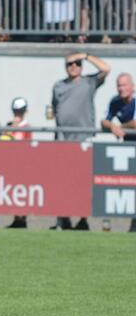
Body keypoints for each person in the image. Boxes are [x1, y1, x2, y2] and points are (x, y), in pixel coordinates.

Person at [50, 52, 110, 230]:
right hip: (63, 141)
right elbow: (54, 109)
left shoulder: (89, 82)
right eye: (69, 64)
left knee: (82, 181)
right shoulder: (58, 86)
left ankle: (83, 218)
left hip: (83, 140)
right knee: (62, 182)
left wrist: (86, 55)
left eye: (76, 63)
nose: (73, 67)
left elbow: (106, 69)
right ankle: (63, 217)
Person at [100, 73, 136, 233]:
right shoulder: (115, 102)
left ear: (132, 86)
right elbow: (104, 120)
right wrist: (112, 126)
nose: (121, 89)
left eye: (124, 85)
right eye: (119, 85)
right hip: (128, 149)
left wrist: (120, 127)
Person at [4, 97, 32, 229]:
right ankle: (16, 218)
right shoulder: (9, 126)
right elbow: (4, 141)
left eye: (20, 111)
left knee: (22, 190)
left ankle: (22, 219)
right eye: (16, 111)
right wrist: (12, 128)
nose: (18, 114)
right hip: (9, 162)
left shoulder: (27, 128)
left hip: (23, 164)